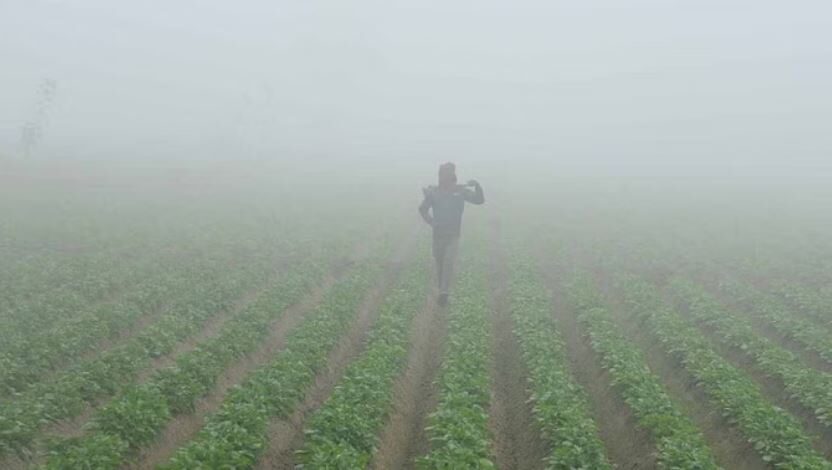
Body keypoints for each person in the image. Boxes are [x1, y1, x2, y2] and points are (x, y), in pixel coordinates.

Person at [418, 162, 485, 306]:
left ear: (452, 175)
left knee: (448, 261)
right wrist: (431, 221)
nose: (442, 177)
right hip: (438, 235)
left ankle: (444, 292)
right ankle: (442, 290)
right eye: (441, 174)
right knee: (440, 263)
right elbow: (422, 209)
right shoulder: (433, 193)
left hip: (453, 234)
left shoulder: (460, 191)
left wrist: (477, 186)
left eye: (445, 174)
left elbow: (479, 200)